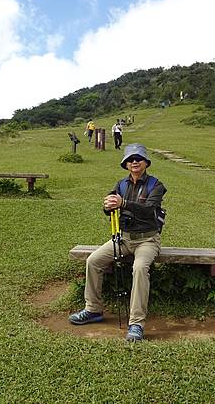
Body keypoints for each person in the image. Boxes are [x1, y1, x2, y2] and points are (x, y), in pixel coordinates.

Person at [68, 144, 167, 342]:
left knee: (139, 268)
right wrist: (107, 205)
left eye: (139, 158)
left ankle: (136, 323)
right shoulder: (121, 184)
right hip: (123, 238)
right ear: (126, 164)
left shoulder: (156, 185)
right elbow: (110, 206)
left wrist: (123, 203)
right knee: (93, 260)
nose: (135, 162)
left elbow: (149, 210)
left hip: (147, 240)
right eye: (130, 159)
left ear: (146, 162)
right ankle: (93, 309)